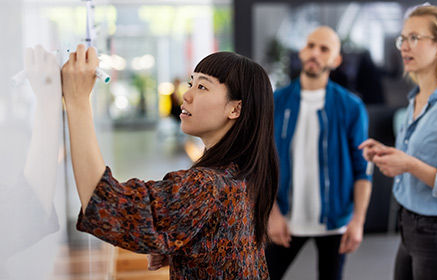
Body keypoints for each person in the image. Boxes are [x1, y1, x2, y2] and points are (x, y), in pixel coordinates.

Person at [61, 47, 279, 279]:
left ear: (235, 108)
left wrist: (77, 101)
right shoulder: (244, 171)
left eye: (202, 87)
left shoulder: (205, 185)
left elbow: (106, 202)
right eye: (191, 83)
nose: (186, 95)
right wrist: (185, 246)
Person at [266, 26, 372, 280]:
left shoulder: (351, 107)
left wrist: (357, 222)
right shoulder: (275, 102)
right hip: (285, 218)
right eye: (311, 45)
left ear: (336, 60)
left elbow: (363, 169)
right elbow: (262, 165)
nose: (315, 52)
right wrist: (272, 214)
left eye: (324, 49)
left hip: (335, 222)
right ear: (302, 52)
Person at [359, 5, 437, 280]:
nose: (404, 47)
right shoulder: (414, 98)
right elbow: (416, 158)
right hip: (408, 223)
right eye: (403, 39)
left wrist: (409, 164)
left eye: (415, 38)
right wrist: (390, 154)